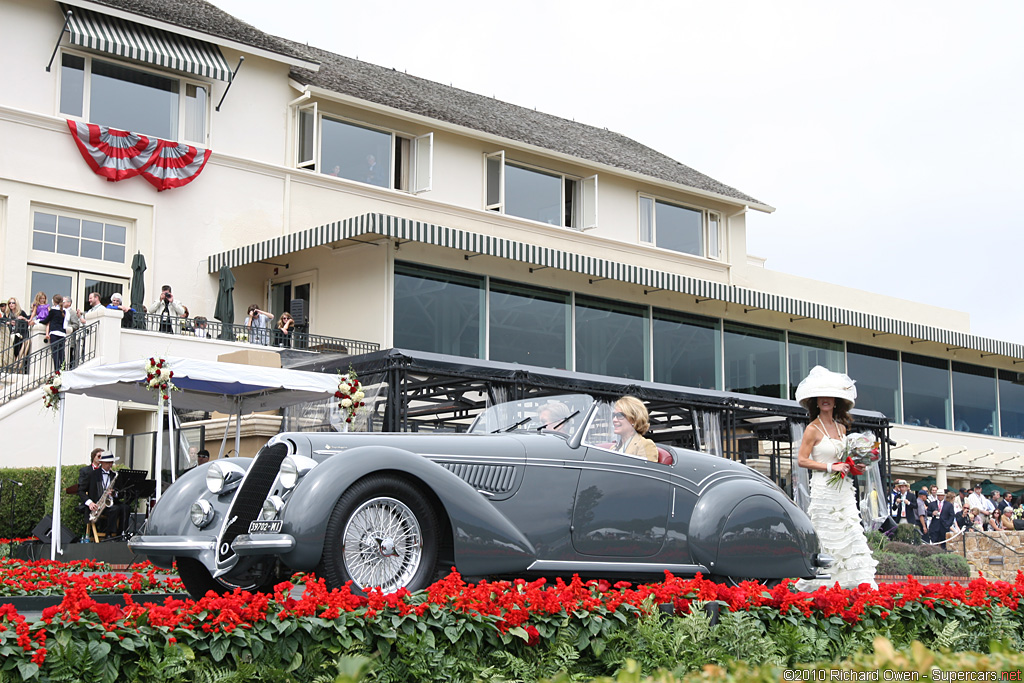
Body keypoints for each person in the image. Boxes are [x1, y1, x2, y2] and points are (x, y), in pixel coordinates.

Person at [793, 366, 877, 590]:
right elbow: (802, 460)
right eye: (821, 396)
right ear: (816, 401)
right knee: (827, 534)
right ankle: (822, 585)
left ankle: (857, 584)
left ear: (836, 400)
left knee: (850, 531)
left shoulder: (842, 428)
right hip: (823, 488)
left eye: (830, 396)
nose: (825, 400)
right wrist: (830, 466)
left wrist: (856, 465)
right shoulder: (812, 429)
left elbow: (846, 460)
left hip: (844, 489)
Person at [84, 451, 129, 537]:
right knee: (114, 509)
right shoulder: (92, 475)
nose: (110, 465)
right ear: (101, 462)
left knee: (125, 508)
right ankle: (109, 534)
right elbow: (81, 490)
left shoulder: (115, 475)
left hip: (111, 502)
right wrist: (90, 503)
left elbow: (120, 492)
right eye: (108, 462)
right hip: (97, 505)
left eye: (111, 462)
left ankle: (122, 533)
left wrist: (114, 493)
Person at [610, 396, 658, 461]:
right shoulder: (613, 448)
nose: (614, 419)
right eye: (613, 415)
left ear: (633, 420)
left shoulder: (645, 445)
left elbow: (647, 471)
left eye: (619, 415)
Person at [2, 297, 30, 372]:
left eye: (13, 303)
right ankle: (11, 367)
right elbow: (3, 322)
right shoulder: (7, 314)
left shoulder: (21, 312)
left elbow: (28, 321)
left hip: (19, 335)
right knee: (10, 351)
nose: (11, 304)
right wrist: (9, 322)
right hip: (9, 335)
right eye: (9, 303)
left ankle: (17, 368)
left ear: (16, 304)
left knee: (19, 350)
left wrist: (23, 319)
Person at [41, 294, 67, 372]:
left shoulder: (53, 311)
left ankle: (57, 370)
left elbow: (46, 320)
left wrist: (38, 321)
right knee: (61, 353)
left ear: (54, 301)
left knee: (55, 353)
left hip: (54, 333)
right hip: (62, 333)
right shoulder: (64, 311)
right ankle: (63, 370)